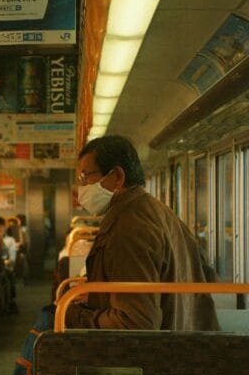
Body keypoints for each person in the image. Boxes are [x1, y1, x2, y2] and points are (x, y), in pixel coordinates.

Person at [65, 135, 218, 331]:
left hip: (157, 354)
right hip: (185, 334)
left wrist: (78, 316)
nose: (82, 188)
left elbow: (135, 322)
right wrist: (99, 297)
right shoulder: (158, 210)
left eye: (86, 177)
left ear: (117, 177)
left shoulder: (127, 229)